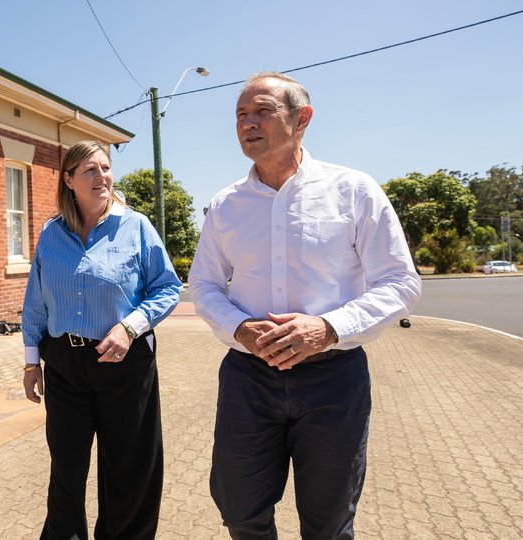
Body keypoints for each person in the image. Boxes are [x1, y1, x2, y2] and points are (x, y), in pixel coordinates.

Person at [189, 72, 421, 539]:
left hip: (333, 380)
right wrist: (241, 329)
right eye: (240, 115)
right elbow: (204, 283)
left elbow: (400, 281)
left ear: (302, 119)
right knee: (239, 511)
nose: (248, 124)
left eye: (261, 111)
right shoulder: (225, 205)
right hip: (248, 379)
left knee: (329, 521)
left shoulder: (354, 190)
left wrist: (328, 327)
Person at [22, 141, 182, 539]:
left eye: (106, 168)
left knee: (129, 470)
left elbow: (167, 287)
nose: (102, 176)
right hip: (63, 365)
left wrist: (130, 327)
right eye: (90, 170)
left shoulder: (136, 226)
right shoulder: (50, 233)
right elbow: (36, 300)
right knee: (66, 471)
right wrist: (30, 361)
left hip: (124, 364)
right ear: (69, 180)